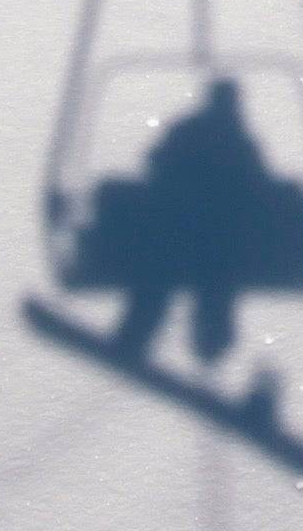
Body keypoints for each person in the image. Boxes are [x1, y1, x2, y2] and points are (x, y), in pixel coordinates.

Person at [111, 78, 281, 363]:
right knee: (208, 287)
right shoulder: (237, 142)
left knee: (165, 283)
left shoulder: (199, 134)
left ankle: (136, 339)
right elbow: (259, 185)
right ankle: (206, 346)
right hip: (201, 236)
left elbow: (155, 163)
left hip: (189, 235)